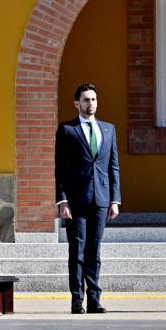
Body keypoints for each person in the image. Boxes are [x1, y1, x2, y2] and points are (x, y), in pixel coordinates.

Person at [55, 83, 120, 314]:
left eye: (93, 99)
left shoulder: (108, 130)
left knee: (95, 250)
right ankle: (76, 299)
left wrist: (115, 200)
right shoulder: (67, 130)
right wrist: (62, 201)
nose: (90, 103)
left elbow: (113, 167)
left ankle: (94, 299)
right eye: (85, 100)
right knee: (78, 250)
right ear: (77, 103)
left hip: (101, 200)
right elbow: (60, 168)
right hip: (76, 201)